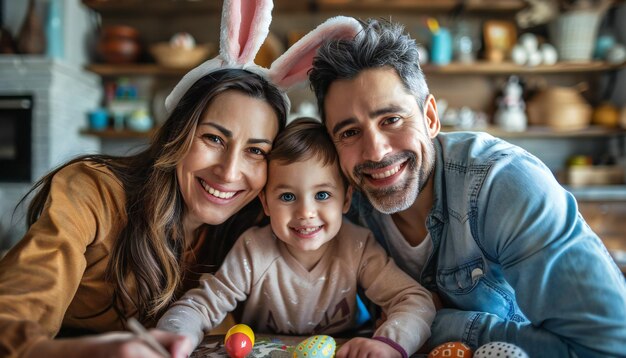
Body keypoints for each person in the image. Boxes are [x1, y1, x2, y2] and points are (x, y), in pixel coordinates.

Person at [0, 0, 360, 356]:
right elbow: (11, 319)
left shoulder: (258, 227)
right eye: (214, 139)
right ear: (178, 133)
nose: (230, 172)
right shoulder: (93, 191)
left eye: (256, 151)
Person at [308, 18, 626, 357]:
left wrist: (441, 324)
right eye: (349, 132)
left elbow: (608, 345)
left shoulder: (506, 183)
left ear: (430, 117)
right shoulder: (338, 200)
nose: (375, 152)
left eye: (391, 120)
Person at [157, 117, 436, 358]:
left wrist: (389, 344)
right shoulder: (254, 249)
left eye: (322, 195)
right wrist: (175, 337)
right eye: (287, 196)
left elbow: (414, 300)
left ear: (346, 200)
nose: (306, 212)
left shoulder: (358, 246)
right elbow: (200, 306)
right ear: (266, 204)